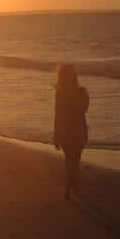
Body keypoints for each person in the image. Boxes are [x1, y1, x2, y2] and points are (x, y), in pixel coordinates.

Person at [53, 63, 89, 199]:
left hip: (79, 129)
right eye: (65, 75)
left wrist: (74, 96)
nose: (68, 77)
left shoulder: (82, 91)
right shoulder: (60, 93)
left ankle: (72, 185)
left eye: (70, 74)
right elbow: (57, 114)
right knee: (69, 160)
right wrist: (56, 134)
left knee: (75, 160)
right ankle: (70, 186)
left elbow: (83, 110)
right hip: (65, 131)